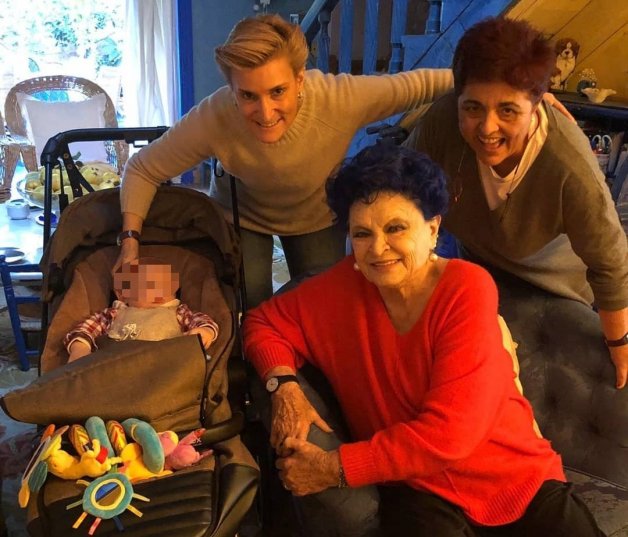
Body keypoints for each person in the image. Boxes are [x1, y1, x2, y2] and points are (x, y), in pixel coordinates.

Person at [243, 143, 605, 536]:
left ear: (432, 228)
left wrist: (335, 468)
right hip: (419, 488)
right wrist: (284, 385)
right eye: (361, 233)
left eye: (395, 227)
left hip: (514, 476)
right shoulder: (341, 287)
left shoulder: (466, 288)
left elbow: (450, 434)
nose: (377, 248)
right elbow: (263, 322)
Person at [115, 14, 571, 310]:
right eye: (247, 97)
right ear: (231, 91)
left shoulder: (339, 97)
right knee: (250, 307)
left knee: (322, 302)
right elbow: (144, 168)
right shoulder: (214, 116)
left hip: (316, 214)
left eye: (278, 92)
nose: (266, 111)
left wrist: (518, 89)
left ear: (300, 80)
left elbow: (421, 84)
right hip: (244, 215)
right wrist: (130, 242)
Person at [405, 17, 628, 389]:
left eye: (508, 110)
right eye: (473, 108)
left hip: (556, 291)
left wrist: (619, 344)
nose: (487, 128)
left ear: (538, 103)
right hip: (479, 271)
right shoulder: (442, 121)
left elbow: (611, 264)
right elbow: (401, 188)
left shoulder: (568, 165)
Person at [64, 257, 218, 362]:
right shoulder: (114, 314)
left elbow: (202, 321)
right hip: (115, 366)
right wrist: (80, 348)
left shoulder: (179, 312)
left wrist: (205, 332)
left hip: (165, 367)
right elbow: (85, 329)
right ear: (123, 295)